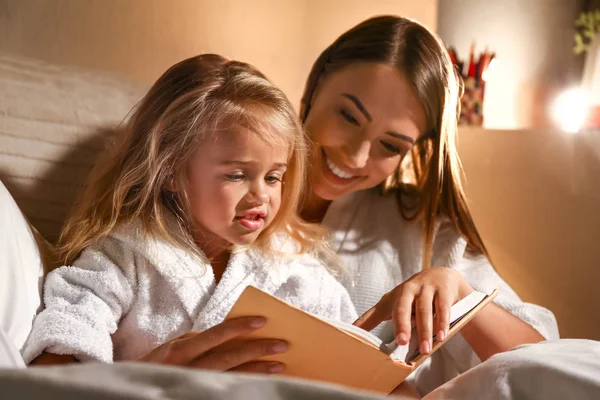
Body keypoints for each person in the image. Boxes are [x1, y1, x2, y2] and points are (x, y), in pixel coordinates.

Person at [21, 54, 357, 371]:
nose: (261, 195)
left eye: (273, 177)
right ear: (171, 172)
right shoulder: (123, 260)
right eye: (236, 175)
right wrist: (144, 381)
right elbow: (59, 365)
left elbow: (361, 361)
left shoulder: (298, 274)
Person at [297, 15, 559, 394]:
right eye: (349, 116)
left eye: (390, 146)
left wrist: (460, 292)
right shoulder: (217, 182)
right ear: (317, 80)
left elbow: (545, 361)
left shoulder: (419, 229)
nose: (356, 157)